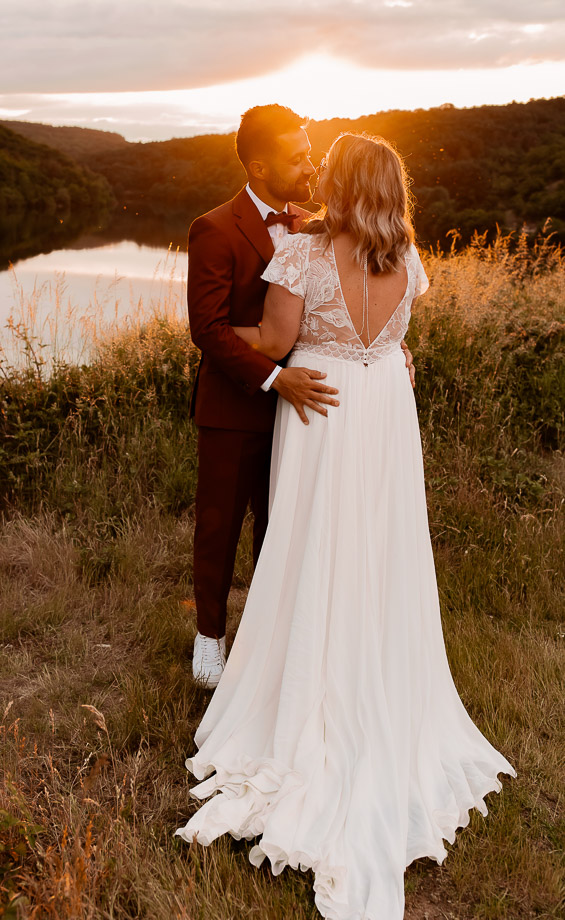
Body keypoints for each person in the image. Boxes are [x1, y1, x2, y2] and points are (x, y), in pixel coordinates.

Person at [176, 132, 516, 919]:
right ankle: (371, 663)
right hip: (383, 412)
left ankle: (301, 678)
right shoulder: (410, 257)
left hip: (320, 406)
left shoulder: (298, 257)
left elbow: (274, 342)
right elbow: (392, 344)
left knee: (308, 545)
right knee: (376, 548)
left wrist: (229, 338)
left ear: (341, 181)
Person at [187, 105, 415, 688]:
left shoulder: (316, 231)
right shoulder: (213, 228)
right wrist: (273, 376)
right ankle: (209, 638)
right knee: (219, 524)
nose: (310, 164)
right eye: (297, 156)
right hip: (240, 403)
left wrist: (386, 350)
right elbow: (207, 330)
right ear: (260, 166)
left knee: (288, 527)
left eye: (313, 153)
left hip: (311, 411)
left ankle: (282, 634)